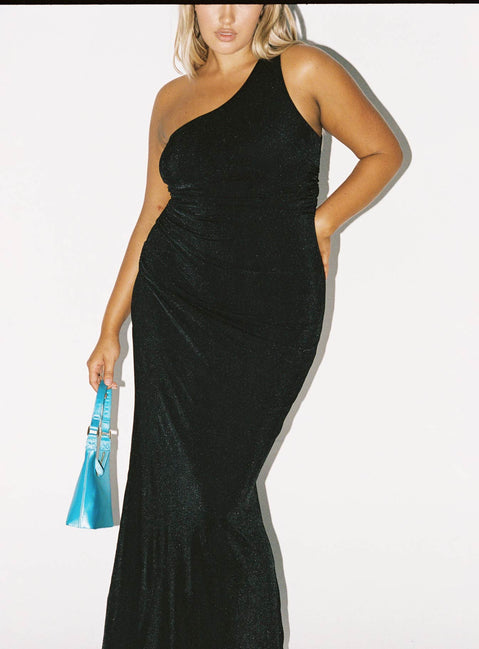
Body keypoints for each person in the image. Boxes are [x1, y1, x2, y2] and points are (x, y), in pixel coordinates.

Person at [89, 4, 403, 648]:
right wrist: (109, 327)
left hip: (270, 310)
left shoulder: (303, 69)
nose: (227, 14)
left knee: (216, 492)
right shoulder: (171, 98)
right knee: (175, 493)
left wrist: (319, 225)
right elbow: (152, 210)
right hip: (173, 308)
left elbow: (382, 152)